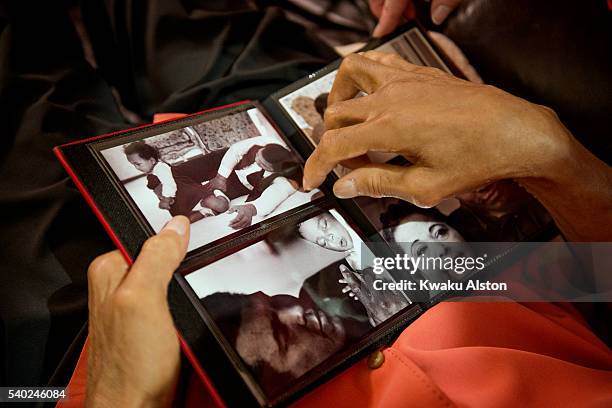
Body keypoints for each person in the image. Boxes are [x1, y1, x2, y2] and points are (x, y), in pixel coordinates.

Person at [79, 49, 612, 407]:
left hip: (93, 345)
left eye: (273, 309)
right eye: (435, 238)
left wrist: (117, 398)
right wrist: (559, 161)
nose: (283, 300)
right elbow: (594, 274)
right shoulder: (533, 272)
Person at [201, 290, 365, 397]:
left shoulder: (324, 284)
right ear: (278, 391)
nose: (297, 310)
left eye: (272, 302)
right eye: (283, 336)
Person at [206, 136, 304, 229]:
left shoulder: (285, 179)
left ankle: (205, 207)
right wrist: (221, 177)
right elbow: (235, 150)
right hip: (228, 165)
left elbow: (277, 192)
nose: (256, 160)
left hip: (241, 187)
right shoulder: (268, 141)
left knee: (220, 205)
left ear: (275, 170)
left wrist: (252, 208)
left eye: (262, 164)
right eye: (258, 155)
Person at [123, 141, 228, 223]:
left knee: (221, 206)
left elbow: (169, 185)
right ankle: (205, 212)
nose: (136, 168)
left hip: (193, 195)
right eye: (134, 165)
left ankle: (217, 192)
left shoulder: (161, 168)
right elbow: (158, 189)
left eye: (138, 164)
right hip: (182, 203)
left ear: (152, 161)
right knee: (184, 220)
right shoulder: (151, 175)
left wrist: (166, 199)